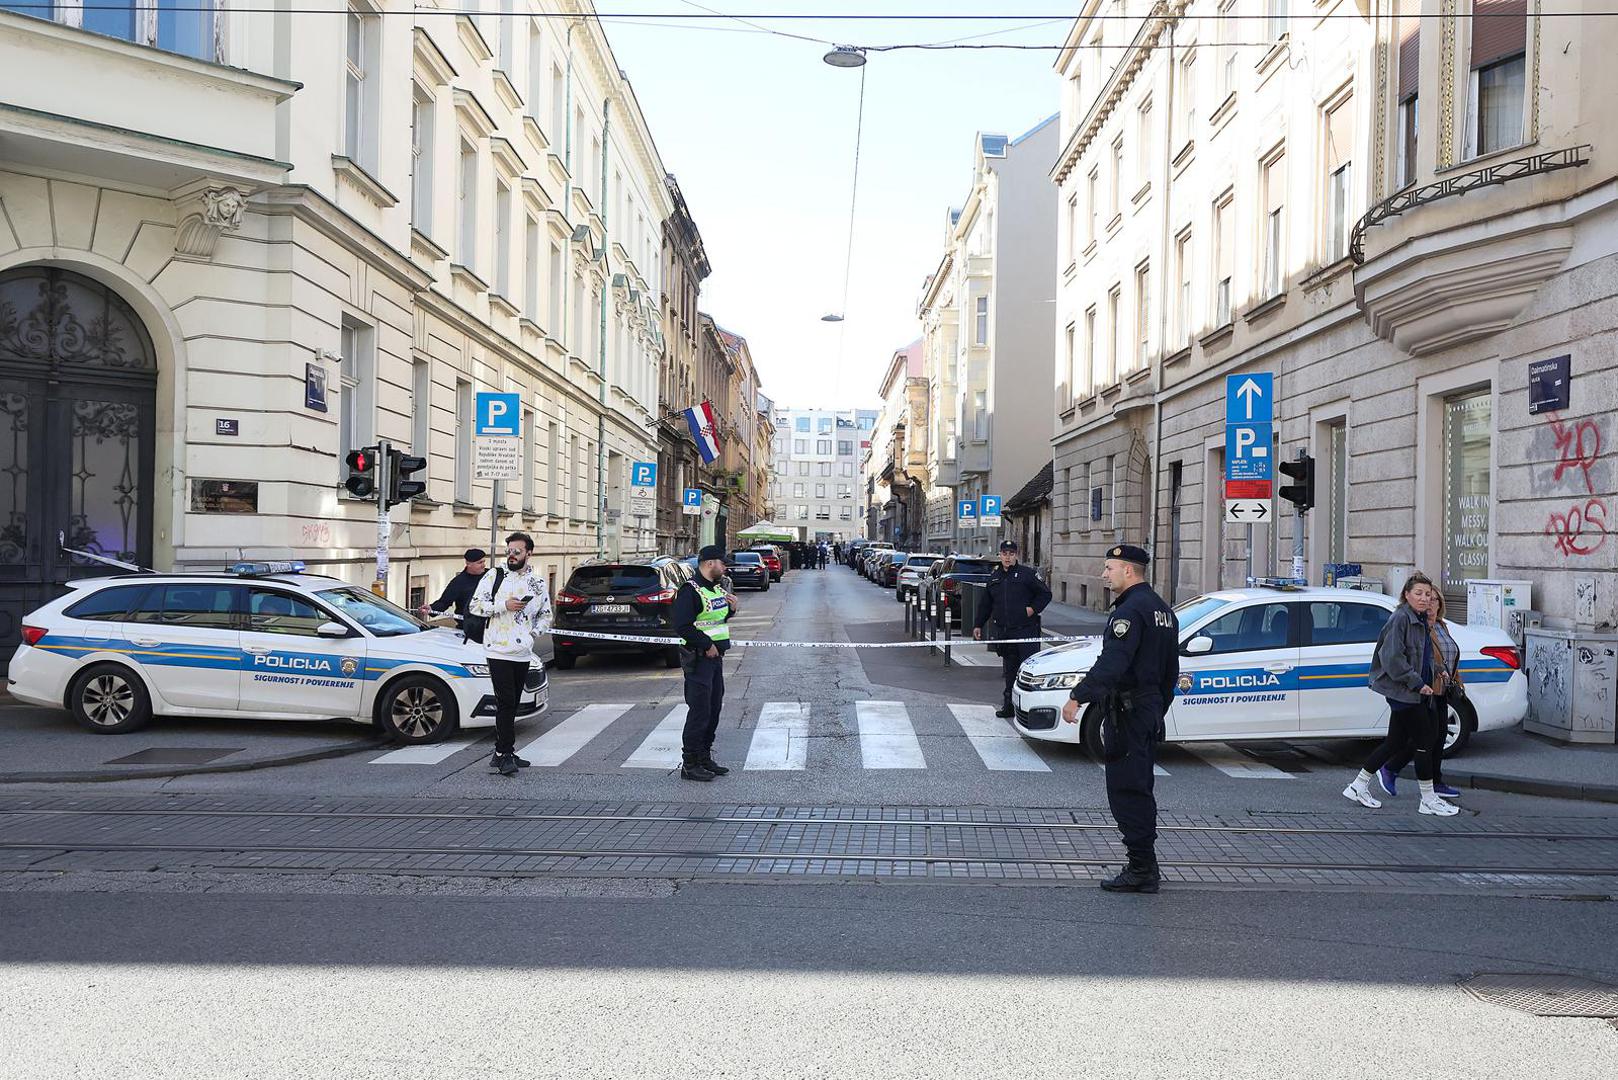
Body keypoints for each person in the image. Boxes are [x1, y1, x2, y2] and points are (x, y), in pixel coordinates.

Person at [1060, 545, 1178, 894]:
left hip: (1128, 714)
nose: (1103, 574)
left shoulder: (1130, 611)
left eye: (1109, 567)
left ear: (1129, 571)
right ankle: (1146, 865)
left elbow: (1113, 663)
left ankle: (1141, 869)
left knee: (1127, 791)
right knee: (1140, 788)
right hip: (1146, 710)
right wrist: (1157, 707)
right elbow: (1171, 671)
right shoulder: (1162, 610)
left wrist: (1077, 697)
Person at [1343, 572, 1461, 817]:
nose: (1424, 598)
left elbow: (1423, 655)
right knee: (1425, 742)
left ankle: (1358, 785)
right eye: (1418, 593)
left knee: (1395, 742)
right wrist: (1418, 683)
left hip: (1409, 690)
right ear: (1406, 595)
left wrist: (1438, 670)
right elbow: (1392, 658)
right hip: (1403, 691)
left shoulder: (1418, 620)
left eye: (1428, 594)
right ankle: (1428, 799)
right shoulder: (1401, 619)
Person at [466, 533, 552, 777]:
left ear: (528, 553)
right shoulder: (494, 576)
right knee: (505, 702)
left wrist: (533, 634)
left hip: (523, 650)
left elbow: (546, 614)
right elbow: (476, 606)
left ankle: (501, 752)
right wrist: (504, 606)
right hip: (498, 649)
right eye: (509, 550)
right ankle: (505, 753)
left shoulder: (536, 582)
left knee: (513, 703)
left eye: (517, 551)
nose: (511, 555)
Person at [1377, 588, 1464, 801]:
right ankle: (1421, 784)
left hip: (1441, 689)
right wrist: (1417, 682)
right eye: (1426, 598)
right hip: (1423, 689)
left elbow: (1449, 657)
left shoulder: (1442, 626)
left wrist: (1457, 680)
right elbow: (1413, 658)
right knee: (1421, 739)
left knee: (1436, 735)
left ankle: (1430, 782)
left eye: (1434, 599)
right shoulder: (1421, 626)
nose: (1430, 603)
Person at [672, 544, 739, 781]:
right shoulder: (690, 590)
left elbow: (716, 620)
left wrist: (731, 610)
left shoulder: (715, 589)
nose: (725, 567)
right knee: (699, 711)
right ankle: (690, 764)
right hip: (698, 659)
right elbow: (682, 625)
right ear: (710, 563)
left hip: (714, 659)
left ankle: (704, 757)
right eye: (723, 563)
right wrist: (706, 644)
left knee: (713, 710)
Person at [973, 539, 1053, 719]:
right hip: (1005, 632)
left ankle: (1031, 709)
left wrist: (1032, 609)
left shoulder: (1027, 575)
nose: (1007, 557)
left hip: (1026, 631)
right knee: (1010, 672)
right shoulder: (994, 577)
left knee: (1029, 673)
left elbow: (1045, 594)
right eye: (1004, 554)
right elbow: (986, 604)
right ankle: (1008, 705)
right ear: (999, 555)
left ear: (1016, 555)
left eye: (1011, 554)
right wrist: (978, 624)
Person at [417, 548, 487, 622]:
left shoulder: (491, 575)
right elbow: (444, 602)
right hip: (469, 628)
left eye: (484, 562)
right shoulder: (459, 582)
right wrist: (431, 609)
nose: (483, 565)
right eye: (480, 563)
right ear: (468, 564)